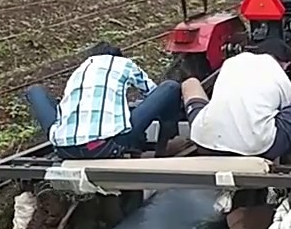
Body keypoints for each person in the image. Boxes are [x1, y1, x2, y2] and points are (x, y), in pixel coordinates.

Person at [180, 39, 291, 166]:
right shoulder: (276, 70)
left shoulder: (231, 62)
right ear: (285, 64)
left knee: (190, 84)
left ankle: (166, 140)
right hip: (257, 148)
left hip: (204, 142)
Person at [22, 42, 183, 159]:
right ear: (117, 56)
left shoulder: (81, 69)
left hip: (64, 149)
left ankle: (64, 137)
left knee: (34, 90)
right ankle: (164, 148)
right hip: (106, 146)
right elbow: (152, 92)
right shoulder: (123, 64)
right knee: (170, 88)